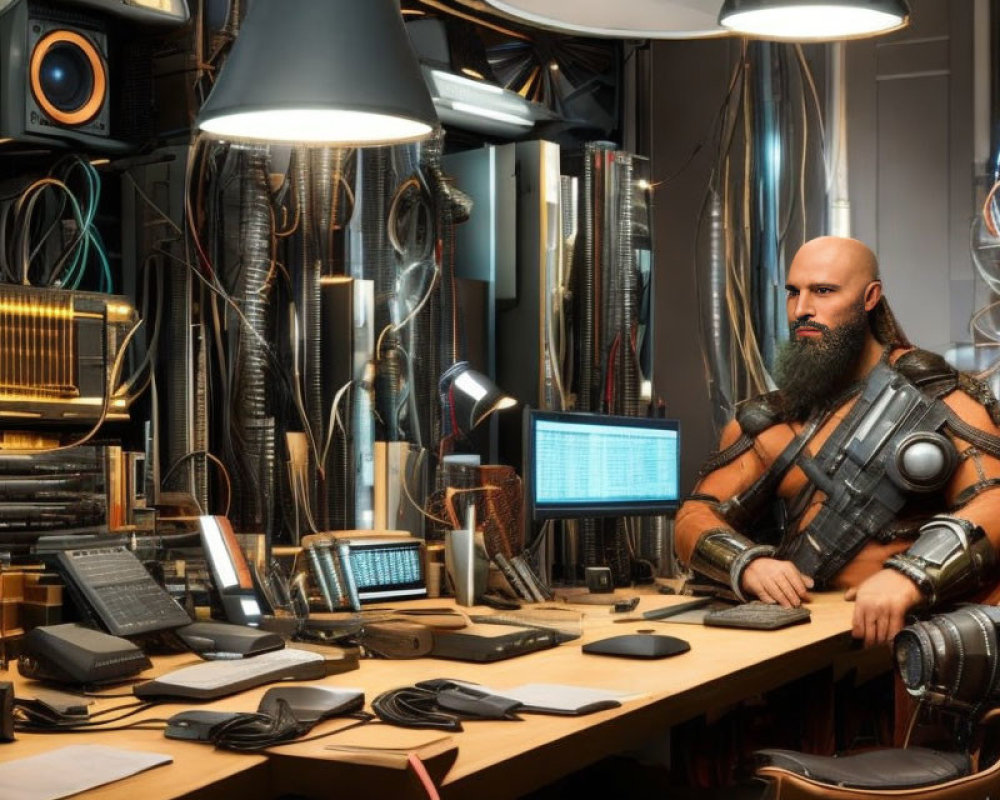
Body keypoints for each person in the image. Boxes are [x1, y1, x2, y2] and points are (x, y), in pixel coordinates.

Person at [675, 236, 1000, 646]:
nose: (802, 309)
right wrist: (747, 564)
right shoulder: (773, 419)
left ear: (870, 298)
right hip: (798, 644)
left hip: (913, 643)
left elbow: (995, 500)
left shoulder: (937, 397)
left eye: (823, 291)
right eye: (794, 292)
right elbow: (694, 517)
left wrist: (911, 575)